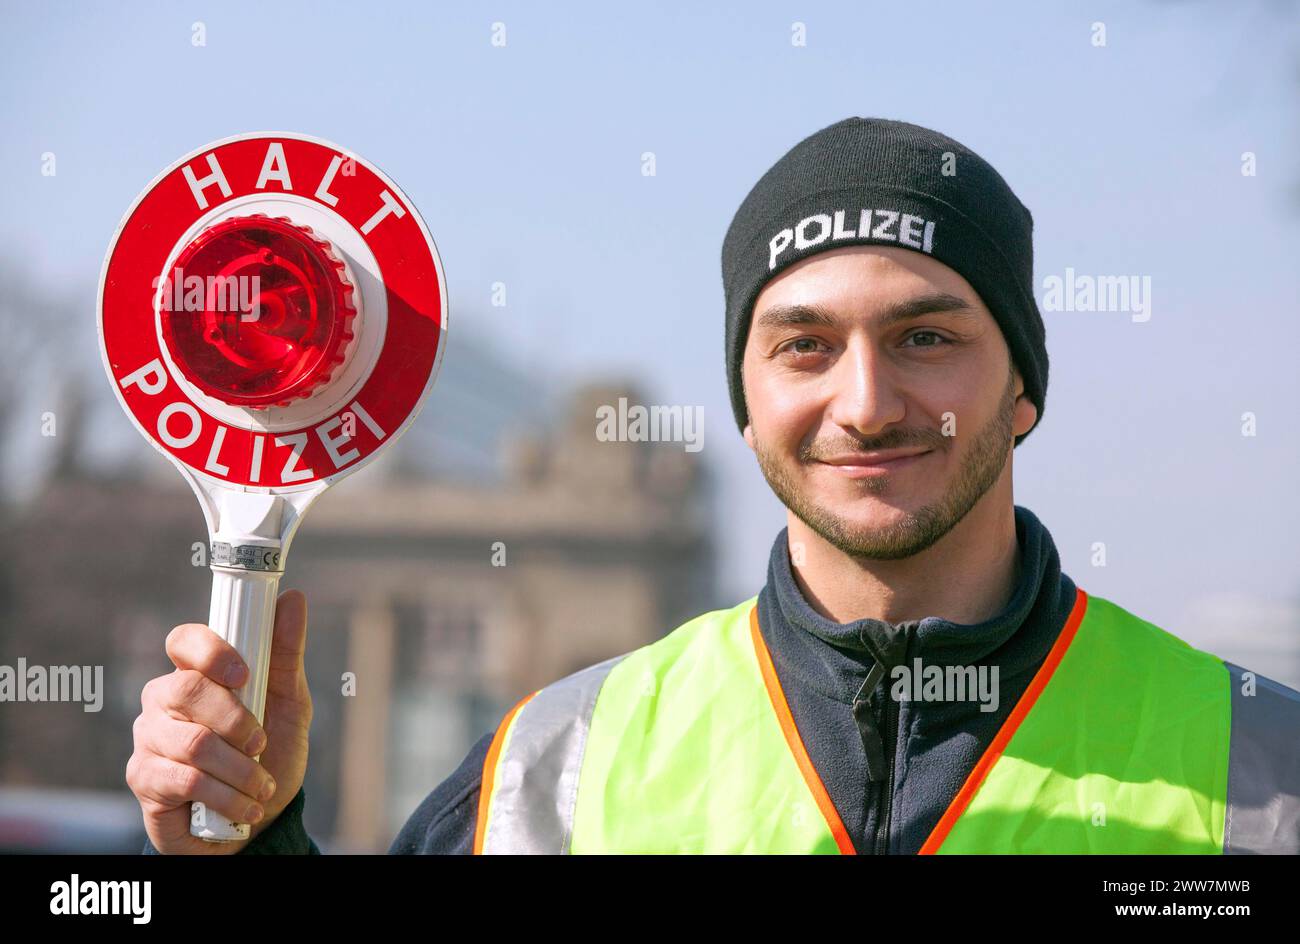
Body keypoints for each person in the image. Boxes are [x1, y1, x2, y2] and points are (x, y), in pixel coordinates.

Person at [130, 117, 1300, 855]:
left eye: (927, 337)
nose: (864, 401)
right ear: (746, 404)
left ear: (1024, 389)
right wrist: (254, 845)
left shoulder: (1261, 765)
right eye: (802, 345)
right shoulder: (555, 765)